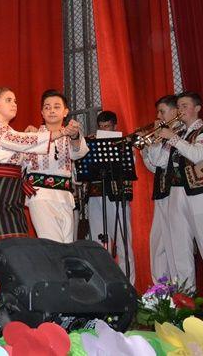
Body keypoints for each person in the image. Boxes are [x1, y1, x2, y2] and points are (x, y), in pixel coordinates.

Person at [150, 91, 203, 316]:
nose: (180, 110)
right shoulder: (178, 133)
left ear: (197, 108)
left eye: (184, 105)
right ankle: (187, 302)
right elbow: (158, 162)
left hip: (199, 194)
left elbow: (198, 155)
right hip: (175, 194)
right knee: (180, 251)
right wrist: (156, 141)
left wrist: (172, 138)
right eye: (179, 106)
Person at [0, 87, 67, 246]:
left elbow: (23, 152)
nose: (14, 104)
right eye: (8, 100)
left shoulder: (9, 131)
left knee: (18, 246)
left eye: (15, 101)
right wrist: (61, 133)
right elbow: (22, 141)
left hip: (11, 192)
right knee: (7, 248)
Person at [23, 90, 87, 243]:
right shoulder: (33, 136)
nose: (51, 110)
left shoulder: (72, 134)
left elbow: (78, 153)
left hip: (65, 196)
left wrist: (74, 135)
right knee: (52, 243)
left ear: (65, 112)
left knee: (66, 244)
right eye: (47, 107)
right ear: (42, 113)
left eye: (57, 107)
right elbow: (20, 161)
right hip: (40, 195)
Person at [86, 110, 136, 284]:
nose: (104, 130)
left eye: (107, 126)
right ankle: (103, 285)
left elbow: (131, 166)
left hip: (117, 195)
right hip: (95, 196)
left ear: (115, 126)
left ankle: (128, 285)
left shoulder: (124, 144)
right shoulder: (91, 143)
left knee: (123, 243)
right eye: (101, 127)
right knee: (98, 242)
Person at [140, 95, 185, 283]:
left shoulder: (180, 132)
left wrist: (156, 140)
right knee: (157, 243)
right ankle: (160, 289)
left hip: (175, 193)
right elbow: (154, 167)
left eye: (162, 111)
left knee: (174, 243)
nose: (158, 116)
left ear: (175, 111)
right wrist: (145, 148)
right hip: (161, 192)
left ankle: (179, 288)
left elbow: (161, 160)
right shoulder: (165, 134)